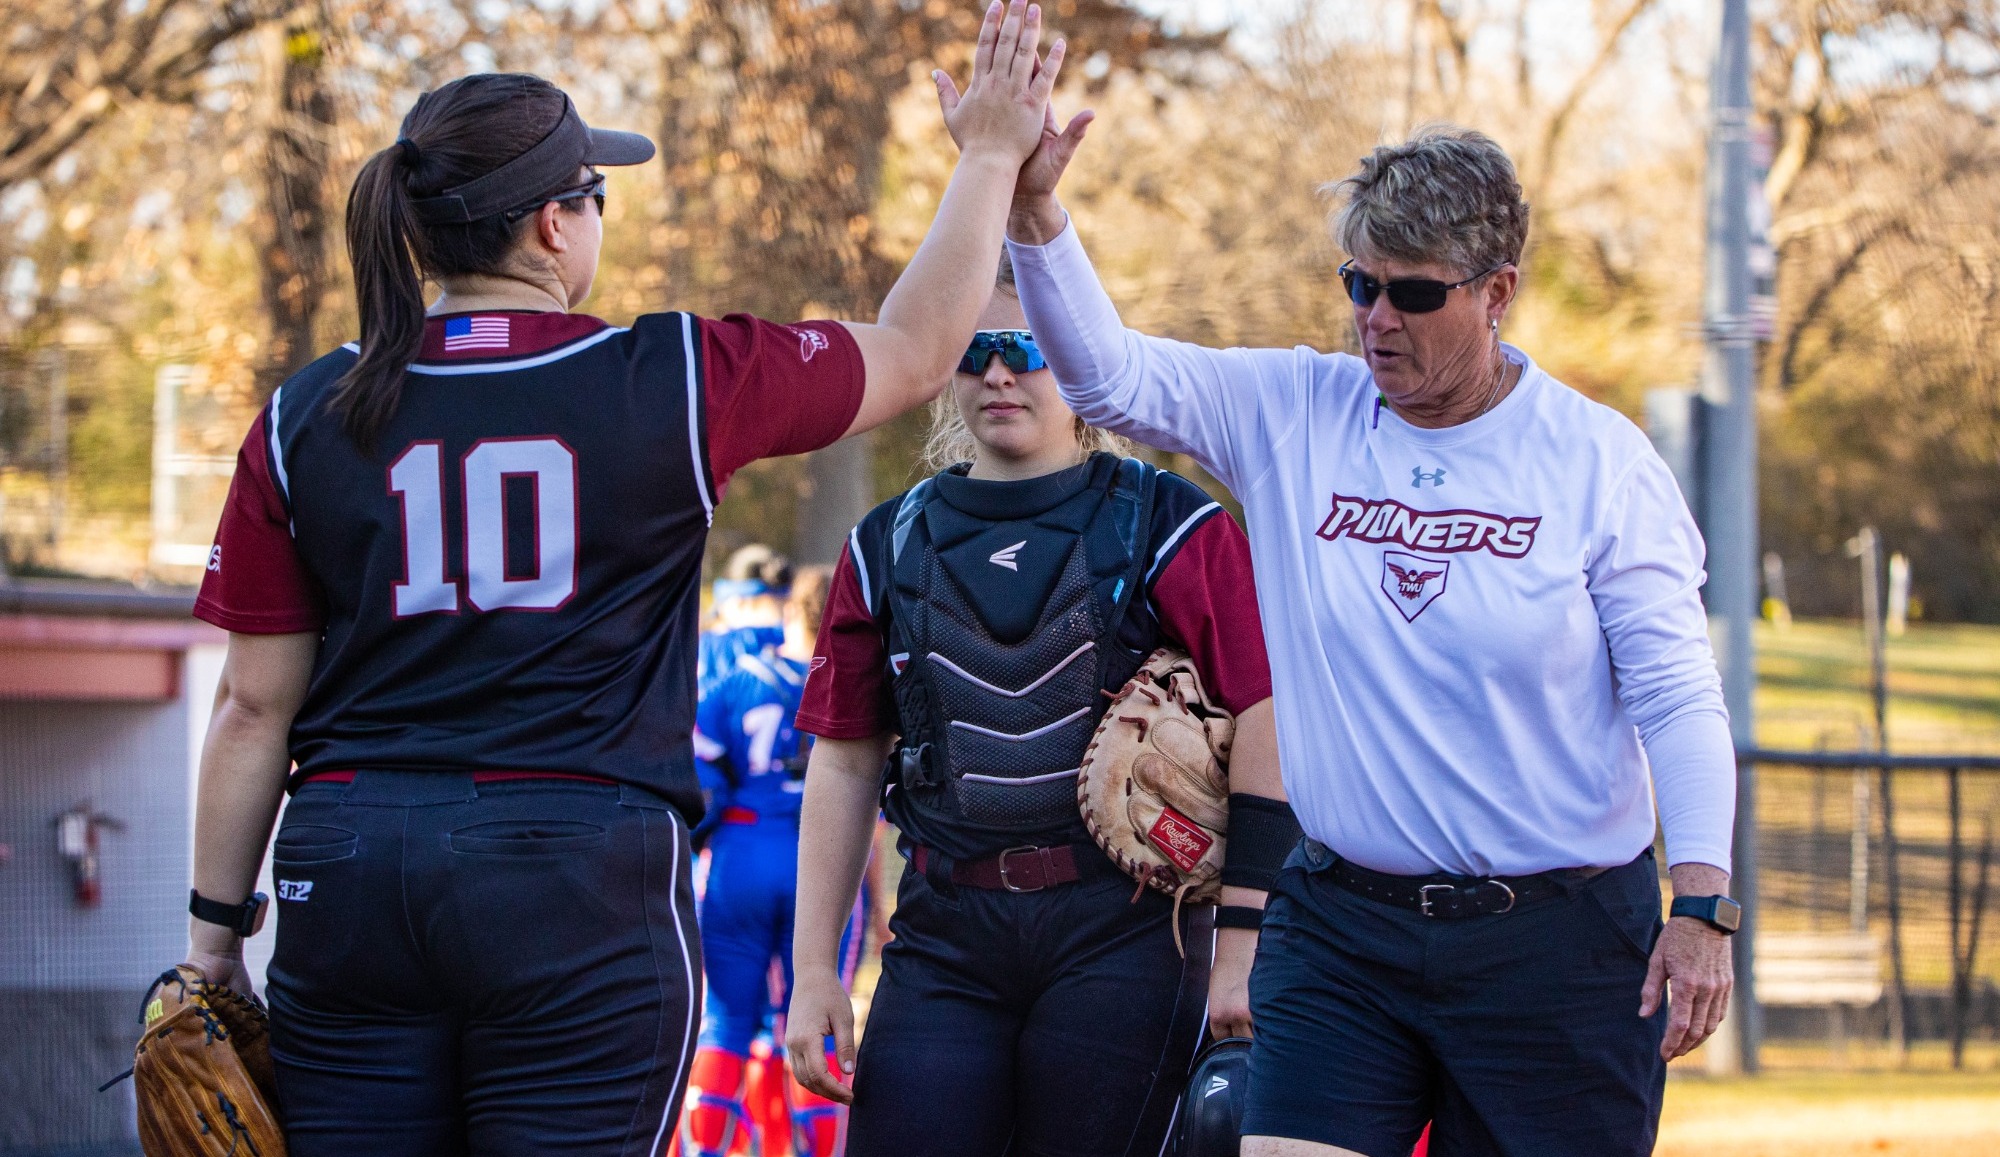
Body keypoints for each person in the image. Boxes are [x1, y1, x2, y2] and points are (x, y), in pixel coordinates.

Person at [182, 9, 1073, 1153]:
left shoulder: (306, 410)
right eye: (594, 195)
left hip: (351, 863)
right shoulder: (666, 377)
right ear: (553, 224)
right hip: (572, 868)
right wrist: (989, 156)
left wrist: (212, 939)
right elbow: (914, 348)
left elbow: (250, 706)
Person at [1003, 123, 1739, 1157]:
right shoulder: (1297, 410)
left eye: (1414, 293)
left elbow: (1675, 693)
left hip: (1556, 944)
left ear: (1496, 290)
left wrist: (1701, 899)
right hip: (1344, 928)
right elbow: (1107, 380)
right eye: (1360, 284)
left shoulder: (1596, 461)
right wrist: (1035, 213)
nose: (1376, 319)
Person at [783, 258, 1299, 1157]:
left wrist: (1244, 944)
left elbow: (1268, 711)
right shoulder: (887, 541)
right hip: (944, 930)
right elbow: (846, 756)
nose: (997, 371)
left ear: (1078, 352)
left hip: (1126, 933)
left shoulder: (1167, 523)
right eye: (972, 347)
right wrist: (814, 967)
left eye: (1026, 347)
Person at [684, 568, 865, 1157]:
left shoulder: (735, 681)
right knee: (816, 1021)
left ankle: (706, 1149)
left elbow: (700, 786)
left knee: (726, 1022)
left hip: (740, 852)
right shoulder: (843, 681)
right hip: (822, 859)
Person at [698, 544, 793, 697]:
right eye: (780, 609)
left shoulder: (700, 647)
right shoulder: (724, 646)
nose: (787, 619)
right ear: (738, 604)